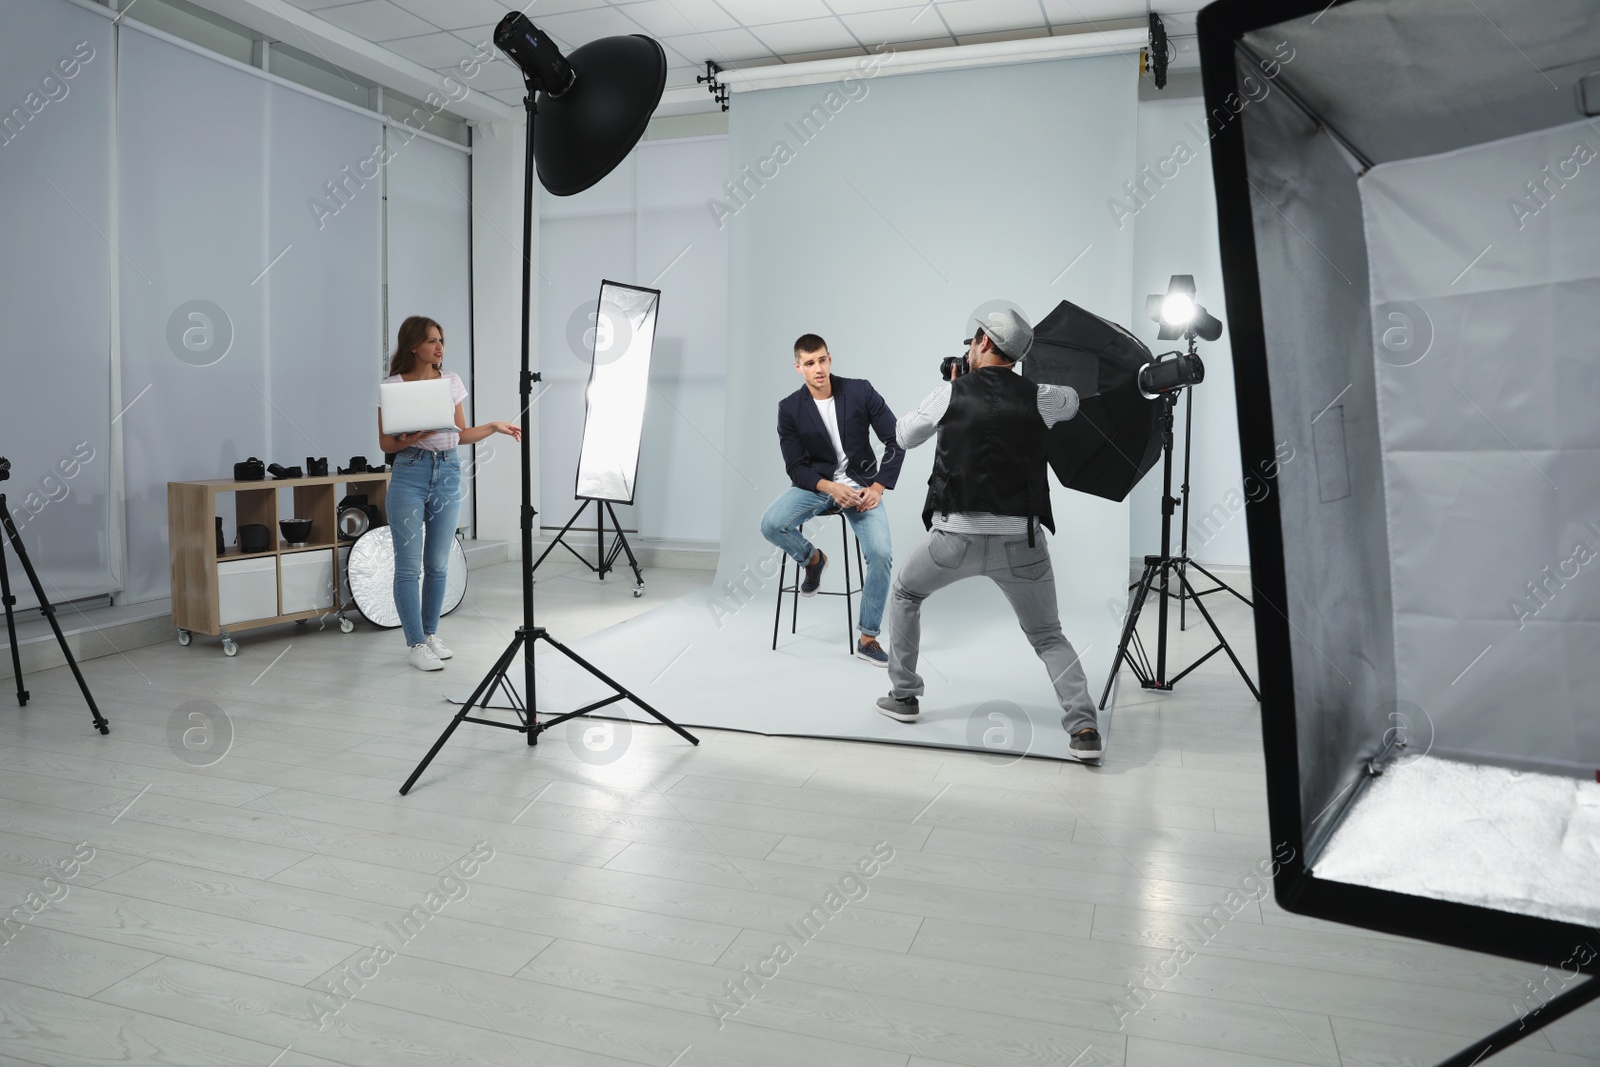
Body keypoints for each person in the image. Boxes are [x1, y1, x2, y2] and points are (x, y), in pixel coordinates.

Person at [877, 308, 1103, 763]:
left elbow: (902, 436)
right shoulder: (1044, 397)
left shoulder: (948, 394)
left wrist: (957, 385)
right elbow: (1073, 401)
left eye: (972, 342)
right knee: (1048, 636)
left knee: (904, 593)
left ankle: (904, 697)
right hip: (1022, 545)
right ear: (1019, 355)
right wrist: (1021, 379)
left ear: (981, 340)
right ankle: (1083, 728)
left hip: (952, 542)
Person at [377, 316, 520, 672]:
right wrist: (412, 436)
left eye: (441, 340)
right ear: (413, 346)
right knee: (409, 567)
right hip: (409, 472)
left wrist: (492, 427)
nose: (439, 347)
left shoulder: (450, 381)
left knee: (438, 564)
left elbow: (459, 434)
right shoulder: (393, 386)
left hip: (448, 472)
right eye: (431, 341)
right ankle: (414, 645)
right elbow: (385, 443)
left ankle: (430, 634)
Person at [760, 334, 903, 665]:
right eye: (810, 363)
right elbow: (795, 467)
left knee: (881, 554)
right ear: (799, 367)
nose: (818, 368)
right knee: (771, 524)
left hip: (862, 487)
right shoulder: (789, 409)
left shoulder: (859, 391)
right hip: (816, 485)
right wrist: (828, 486)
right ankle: (812, 559)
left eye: (822, 360)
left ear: (830, 359)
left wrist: (878, 486)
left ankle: (868, 638)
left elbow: (896, 439)